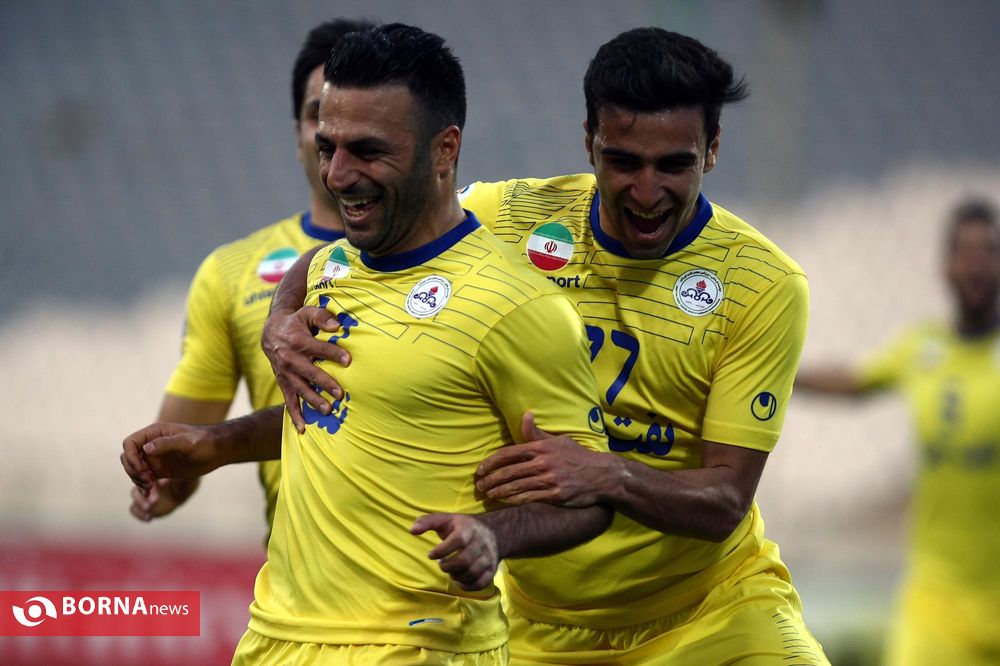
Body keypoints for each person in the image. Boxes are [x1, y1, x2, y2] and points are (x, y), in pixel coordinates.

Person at [257, 26, 831, 665]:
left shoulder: (761, 282)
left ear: (713, 150)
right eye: (623, 162)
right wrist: (279, 319)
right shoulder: (512, 216)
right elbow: (357, 244)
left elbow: (725, 500)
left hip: (711, 611)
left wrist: (607, 473)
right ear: (589, 143)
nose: (647, 192)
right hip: (541, 628)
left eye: (674, 164)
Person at [126, 23, 613, 664]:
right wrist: (214, 445)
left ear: (444, 150)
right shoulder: (332, 268)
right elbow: (355, 413)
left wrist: (493, 535)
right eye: (327, 147)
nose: (337, 174)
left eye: (367, 151)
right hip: (275, 637)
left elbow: (591, 497)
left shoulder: (519, 307)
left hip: (418, 645)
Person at [126, 19, 371, 530]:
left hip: (440, 571)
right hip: (295, 572)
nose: (337, 135)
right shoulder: (232, 273)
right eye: (320, 116)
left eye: (358, 120)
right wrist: (162, 477)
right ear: (298, 135)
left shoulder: (464, 255)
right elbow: (182, 450)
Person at [795, 198, 1000, 666]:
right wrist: (774, 371)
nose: (977, 264)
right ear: (946, 266)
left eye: (989, 251)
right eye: (966, 251)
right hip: (937, 604)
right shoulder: (922, 347)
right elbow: (854, 381)